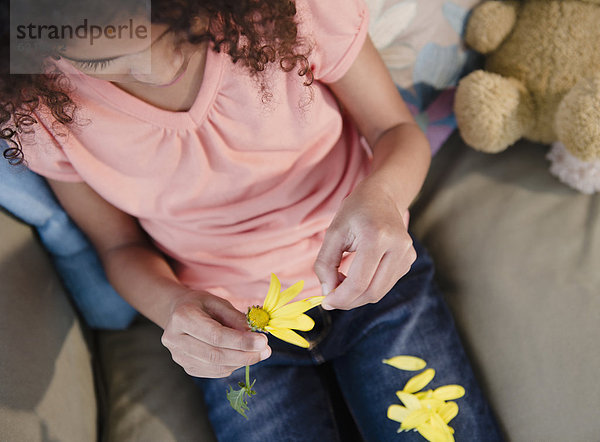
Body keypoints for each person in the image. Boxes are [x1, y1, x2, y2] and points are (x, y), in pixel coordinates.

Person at [0, 0, 503, 440]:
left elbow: (396, 129)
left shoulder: (291, 11)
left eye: (175, 36)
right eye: (105, 61)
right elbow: (117, 247)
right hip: (232, 330)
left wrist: (384, 198)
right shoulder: (44, 106)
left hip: (371, 276)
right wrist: (173, 306)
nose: (153, 68)